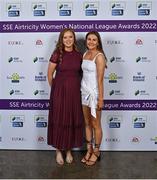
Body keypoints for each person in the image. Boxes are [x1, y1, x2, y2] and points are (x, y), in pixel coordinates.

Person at [47, 28, 84, 165]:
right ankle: (58, 151)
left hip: (74, 93)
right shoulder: (57, 54)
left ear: (74, 38)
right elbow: (50, 74)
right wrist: (56, 90)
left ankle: (68, 150)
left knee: (70, 121)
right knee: (59, 120)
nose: (68, 40)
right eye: (65, 37)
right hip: (59, 93)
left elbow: (82, 73)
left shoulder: (79, 55)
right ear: (61, 39)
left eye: (70, 37)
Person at [81, 31, 107, 166]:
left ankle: (97, 151)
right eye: (89, 39)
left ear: (98, 42)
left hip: (95, 95)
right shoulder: (85, 54)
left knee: (96, 124)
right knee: (87, 123)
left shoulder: (100, 56)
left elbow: (100, 80)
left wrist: (100, 99)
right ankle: (89, 149)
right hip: (84, 93)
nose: (91, 42)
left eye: (94, 40)